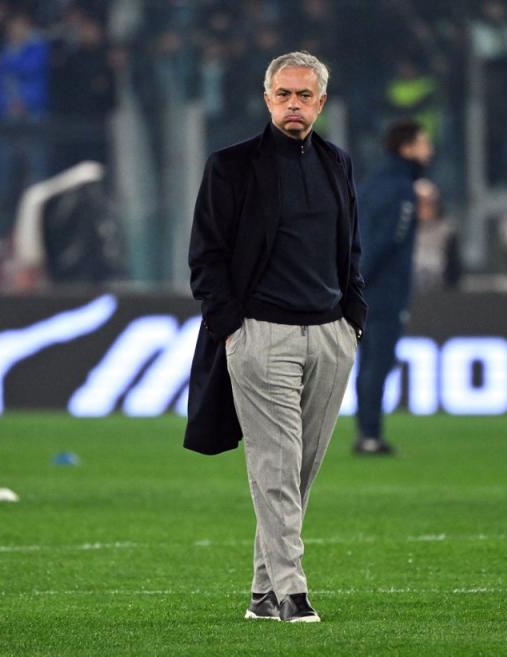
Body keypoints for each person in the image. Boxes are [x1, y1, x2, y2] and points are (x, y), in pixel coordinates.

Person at [185, 51, 366, 623]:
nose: (294, 104)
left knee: (299, 471)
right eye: (284, 94)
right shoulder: (230, 166)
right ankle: (292, 592)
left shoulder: (337, 163)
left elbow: (350, 249)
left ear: (321, 102)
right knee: (275, 466)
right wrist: (232, 330)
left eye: (304, 95)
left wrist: (352, 320)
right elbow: (206, 256)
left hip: (330, 335)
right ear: (267, 100)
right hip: (261, 335)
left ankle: (263, 595)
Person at [354, 119, 433, 455]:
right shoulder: (401, 188)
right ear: (407, 148)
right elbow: (387, 242)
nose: (429, 149)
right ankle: (370, 435)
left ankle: (366, 432)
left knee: (367, 363)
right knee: (378, 363)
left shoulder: (372, 183)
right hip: (383, 291)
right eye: (424, 143)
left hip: (362, 289)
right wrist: (362, 280)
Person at [412, 178, 462, 295]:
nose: (424, 207)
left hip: (440, 296)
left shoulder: (447, 232)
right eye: (420, 203)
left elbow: (455, 272)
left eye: (429, 203)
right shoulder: (403, 232)